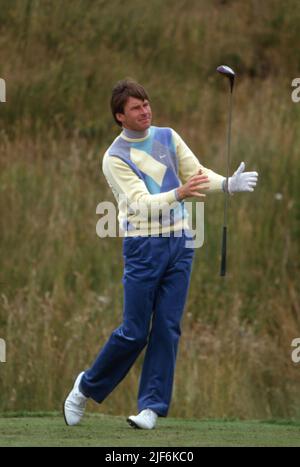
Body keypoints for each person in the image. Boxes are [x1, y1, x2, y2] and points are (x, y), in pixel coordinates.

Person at [63, 79, 258, 429]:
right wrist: (179, 194)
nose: (146, 111)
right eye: (136, 108)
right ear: (120, 116)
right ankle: (84, 387)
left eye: (147, 104)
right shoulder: (115, 158)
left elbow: (196, 175)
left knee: (167, 327)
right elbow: (140, 204)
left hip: (181, 243)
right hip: (143, 247)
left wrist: (227, 183)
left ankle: (151, 407)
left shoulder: (168, 137)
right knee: (134, 332)